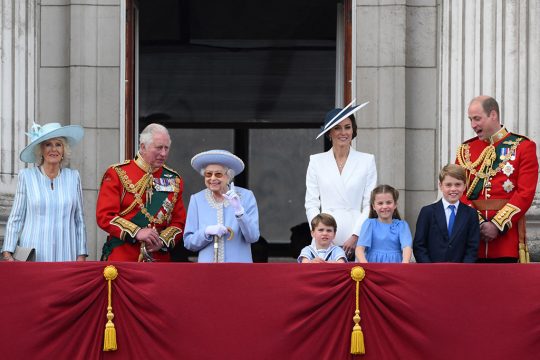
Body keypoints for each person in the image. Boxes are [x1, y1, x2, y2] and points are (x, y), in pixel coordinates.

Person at [456, 96, 539, 263]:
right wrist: (478, 223)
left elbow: (525, 194)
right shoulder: (466, 150)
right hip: (473, 240)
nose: (473, 125)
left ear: (493, 115)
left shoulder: (523, 146)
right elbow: (458, 191)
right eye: (470, 120)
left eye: (477, 119)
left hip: (505, 240)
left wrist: (496, 225)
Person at [96, 123, 186, 262]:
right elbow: (105, 216)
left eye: (166, 148)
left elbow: (179, 222)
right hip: (123, 258)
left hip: (159, 260)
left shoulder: (174, 179)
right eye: (158, 148)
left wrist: (162, 241)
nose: (163, 153)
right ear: (143, 146)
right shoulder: (117, 173)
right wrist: (137, 232)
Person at [2, 122, 87, 261]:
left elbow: (79, 219)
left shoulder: (73, 177)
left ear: (64, 150)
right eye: (48, 144)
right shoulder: (27, 176)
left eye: (58, 144)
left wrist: (81, 254)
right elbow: (16, 217)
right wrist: (7, 252)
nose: (53, 149)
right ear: (40, 150)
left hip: (66, 254)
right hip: (34, 255)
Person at [305, 101, 377, 260]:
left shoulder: (367, 160)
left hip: (356, 235)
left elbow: (369, 204)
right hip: (323, 236)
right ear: (329, 132)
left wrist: (356, 235)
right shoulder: (316, 161)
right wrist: (320, 231)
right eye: (337, 127)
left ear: (353, 130)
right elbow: (311, 203)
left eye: (347, 127)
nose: (343, 132)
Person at [184, 150, 260, 262]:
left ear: (228, 176)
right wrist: (206, 232)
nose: (213, 178)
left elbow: (253, 237)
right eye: (208, 174)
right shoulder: (197, 199)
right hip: (207, 271)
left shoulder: (246, 196)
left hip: (238, 270)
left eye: (218, 174)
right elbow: (189, 243)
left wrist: (240, 211)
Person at [413, 164, 480, 263]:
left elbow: (472, 247)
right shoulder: (427, 212)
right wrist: (429, 269)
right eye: (448, 185)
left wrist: (464, 269)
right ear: (440, 186)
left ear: (464, 186)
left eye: (458, 184)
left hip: (461, 272)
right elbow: (419, 245)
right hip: (432, 271)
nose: (453, 189)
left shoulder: (471, 214)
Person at [355, 185, 412, 263]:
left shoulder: (402, 226)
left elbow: (407, 247)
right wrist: (366, 265)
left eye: (388, 202)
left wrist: (404, 264)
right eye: (380, 203)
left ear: (395, 204)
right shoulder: (369, 224)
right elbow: (359, 249)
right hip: (373, 267)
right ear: (374, 206)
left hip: (396, 266)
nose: (384, 206)